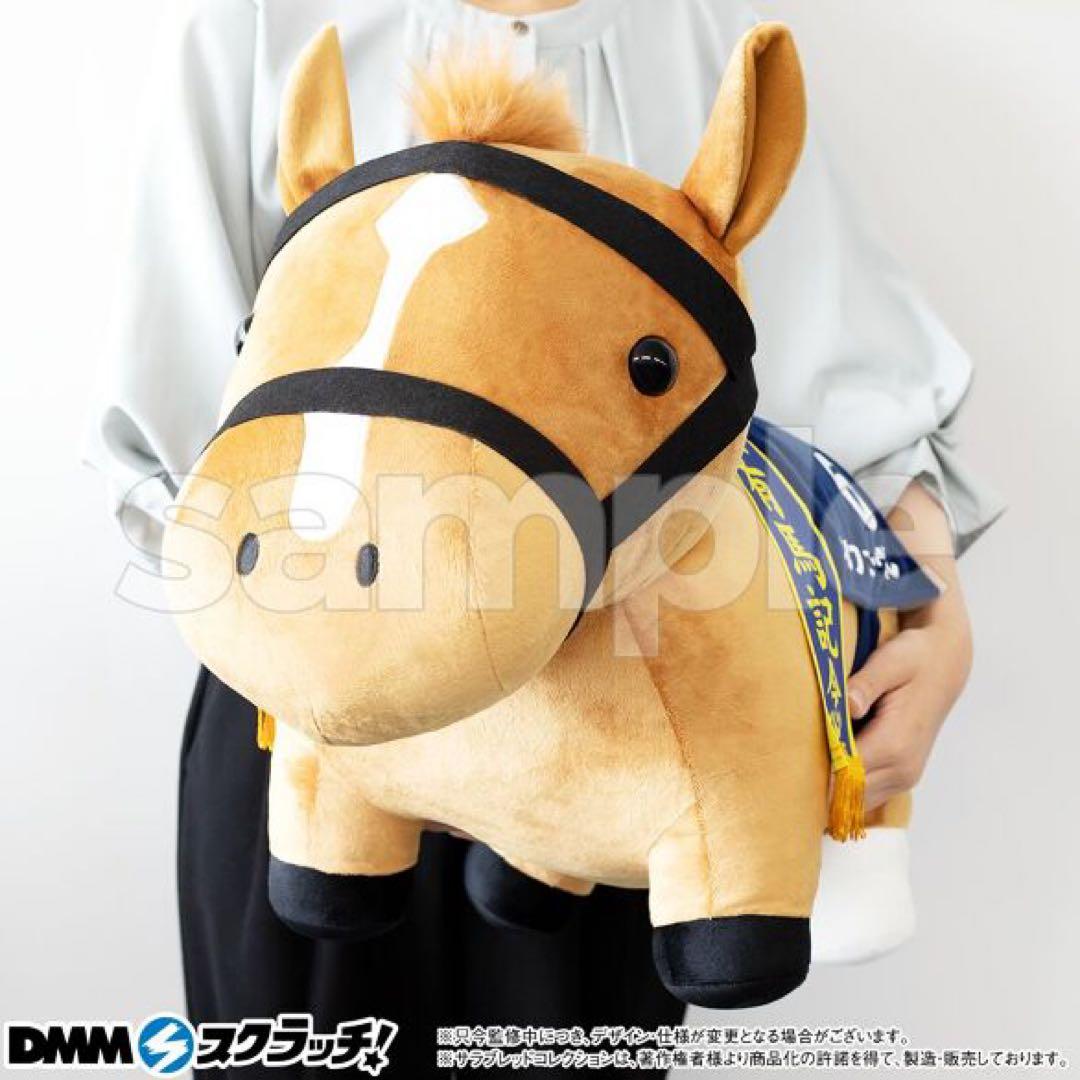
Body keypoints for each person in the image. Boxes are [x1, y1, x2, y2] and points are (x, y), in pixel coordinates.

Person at [84, 0, 1002, 1075]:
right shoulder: (261, 26)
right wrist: (386, 683)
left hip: (625, 745)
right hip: (315, 737)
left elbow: (857, 407)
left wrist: (936, 627)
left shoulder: (708, 35)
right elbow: (178, 450)